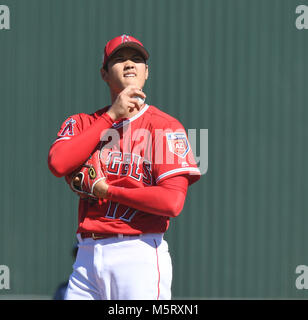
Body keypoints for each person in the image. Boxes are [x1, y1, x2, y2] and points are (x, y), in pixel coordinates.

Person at [47, 34, 201, 300]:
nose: (129, 64)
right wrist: (111, 116)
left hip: (138, 252)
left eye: (137, 59)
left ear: (146, 72)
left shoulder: (164, 126)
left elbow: (172, 202)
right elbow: (58, 163)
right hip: (86, 256)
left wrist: (107, 191)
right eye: (119, 59)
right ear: (104, 74)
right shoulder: (84, 122)